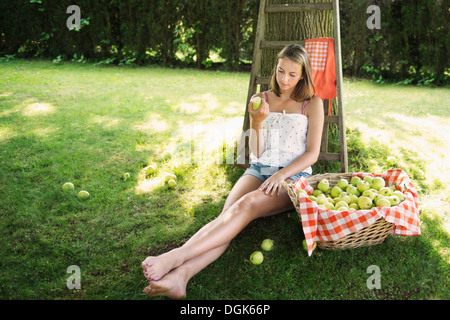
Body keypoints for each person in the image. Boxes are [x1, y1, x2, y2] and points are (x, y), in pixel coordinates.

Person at [141, 44, 324, 299]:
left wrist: (281, 175)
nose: (284, 79)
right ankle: (180, 278)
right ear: (276, 67)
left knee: (246, 205)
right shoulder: (262, 98)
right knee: (226, 218)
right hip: (260, 168)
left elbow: (311, 154)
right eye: (281, 71)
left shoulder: (312, 103)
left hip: (292, 177)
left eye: (292, 75)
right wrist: (257, 121)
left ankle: (175, 257)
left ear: (303, 75)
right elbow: (257, 154)